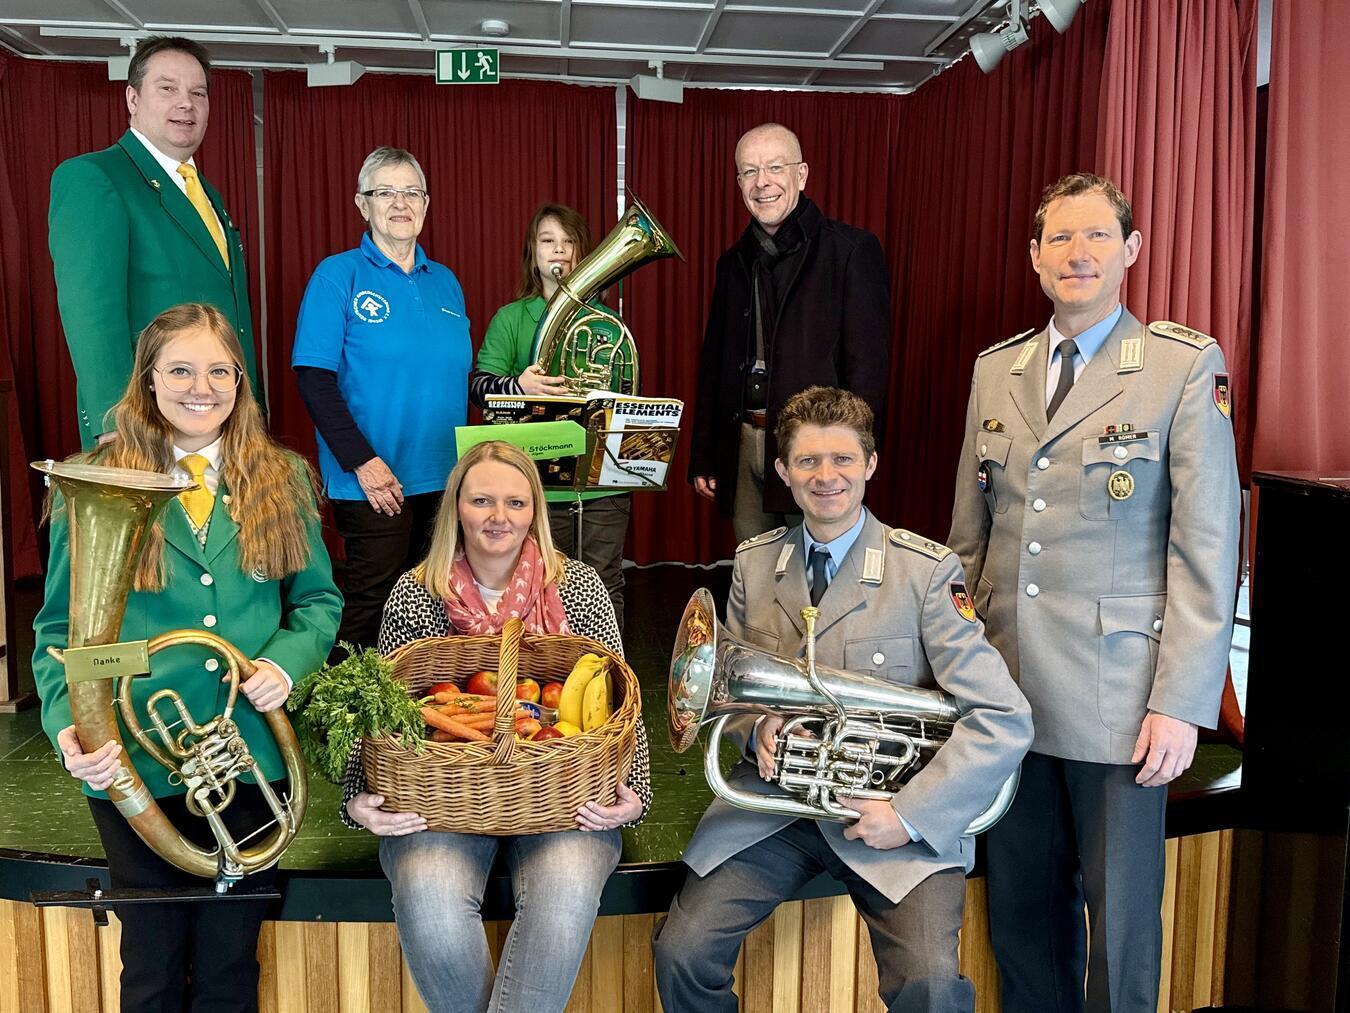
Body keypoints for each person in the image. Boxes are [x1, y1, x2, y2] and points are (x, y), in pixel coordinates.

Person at [946, 173, 1240, 1013]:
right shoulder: (995, 372)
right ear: (1035, 257)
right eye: (1061, 239)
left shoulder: (1182, 368)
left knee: (1119, 936)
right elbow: (971, 543)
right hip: (1008, 696)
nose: (1079, 254)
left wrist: (1182, 700)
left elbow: (1206, 547)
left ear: (1131, 252)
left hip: (1121, 703)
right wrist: (956, 676)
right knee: (1023, 921)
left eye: (1098, 237)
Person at [654, 387, 1032, 1013]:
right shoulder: (755, 564)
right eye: (807, 462)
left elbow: (1004, 718)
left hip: (892, 813)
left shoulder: (925, 572)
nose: (825, 476)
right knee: (681, 954)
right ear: (783, 472)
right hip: (774, 811)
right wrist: (757, 731)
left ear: (871, 465)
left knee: (932, 986)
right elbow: (736, 695)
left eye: (842, 460)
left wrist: (909, 814)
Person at [32, 301, 342, 1012]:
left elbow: (319, 604)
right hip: (134, 762)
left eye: (218, 370)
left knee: (232, 968)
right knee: (151, 969)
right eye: (179, 369)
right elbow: (56, 634)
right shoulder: (92, 476)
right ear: (147, 379)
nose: (200, 387)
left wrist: (285, 664)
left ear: (240, 380)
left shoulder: (283, 475)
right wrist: (67, 729)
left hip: (252, 758)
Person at [341, 440, 652, 1013]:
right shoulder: (414, 592)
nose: (499, 517)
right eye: (482, 500)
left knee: (563, 896)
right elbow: (384, 711)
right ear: (456, 506)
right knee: (429, 901)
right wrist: (358, 796)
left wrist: (635, 793)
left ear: (536, 509)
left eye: (515, 502)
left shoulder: (579, 587)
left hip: (561, 794)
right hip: (443, 796)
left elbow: (615, 702)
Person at [292, 146, 472, 659]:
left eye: (411, 192)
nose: (399, 203)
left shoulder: (447, 283)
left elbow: (456, 376)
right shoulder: (337, 275)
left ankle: (411, 721)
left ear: (426, 203)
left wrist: (513, 383)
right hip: (373, 480)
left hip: (444, 478)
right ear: (361, 204)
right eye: (384, 192)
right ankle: (341, 726)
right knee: (372, 606)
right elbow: (314, 379)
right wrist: (363, 463)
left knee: (432, 606)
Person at [49, 36, 262, 450]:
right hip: (145, 421)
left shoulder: (206, 194)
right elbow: (90, 310)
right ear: (132, 98)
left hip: (222, 416)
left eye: (197, 93)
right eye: (168, 89)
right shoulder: (95, 177)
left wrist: (252, 408)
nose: (186, 103)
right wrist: (115, 422)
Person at [688, 123, 891, 543]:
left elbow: (868, 367)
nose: (762, 182)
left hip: (820, 450)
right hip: (744, 445)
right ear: (739, 181)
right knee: (755, 570)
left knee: (818, 575)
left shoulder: (852, 251)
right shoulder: (731, 263)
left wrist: (854, 454)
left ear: (801, 175)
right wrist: (706, 453)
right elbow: (714, 365)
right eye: (749, 171)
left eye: (775, 167)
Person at [469, 203, 632, 628]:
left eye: (568, 242)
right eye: (548, 241)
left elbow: (624, 404)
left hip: (600, 484)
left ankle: (605, 680)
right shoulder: (510, 319)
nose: (558, 251)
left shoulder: (606, 323)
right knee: (540, 585)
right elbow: (478, 390)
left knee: (603, 584)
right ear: (533, 253)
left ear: (582, 255)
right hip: (536, 484)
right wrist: (519, 388)